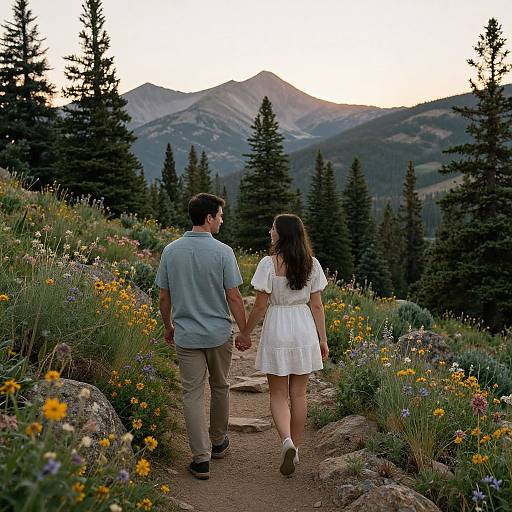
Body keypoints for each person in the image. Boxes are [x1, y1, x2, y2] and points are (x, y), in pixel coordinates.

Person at [155, 193, 246, 480]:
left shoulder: (171, 251)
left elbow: (163, 296)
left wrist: (168, 326)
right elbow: (233, 296)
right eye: (219, 215)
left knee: (191, 395)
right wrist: (244, 330)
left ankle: (201, 459)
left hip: (187, 336)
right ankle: (219, 442)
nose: (222, 219)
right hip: (219, 334)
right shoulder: (223, 252)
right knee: (220, 386)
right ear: (208, 218)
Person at [235, 214, 329, 477]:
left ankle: (286, 440)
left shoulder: (268, 264)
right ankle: (295, 448)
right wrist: (322, 339)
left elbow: (260, 305)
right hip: (303, 327)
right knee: (299, 394)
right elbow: (317, 305)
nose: (270, 231)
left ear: (282, 234)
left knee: (278, 394)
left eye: (273, 228)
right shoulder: (312, 264)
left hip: (278, 325)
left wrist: (245, 333)